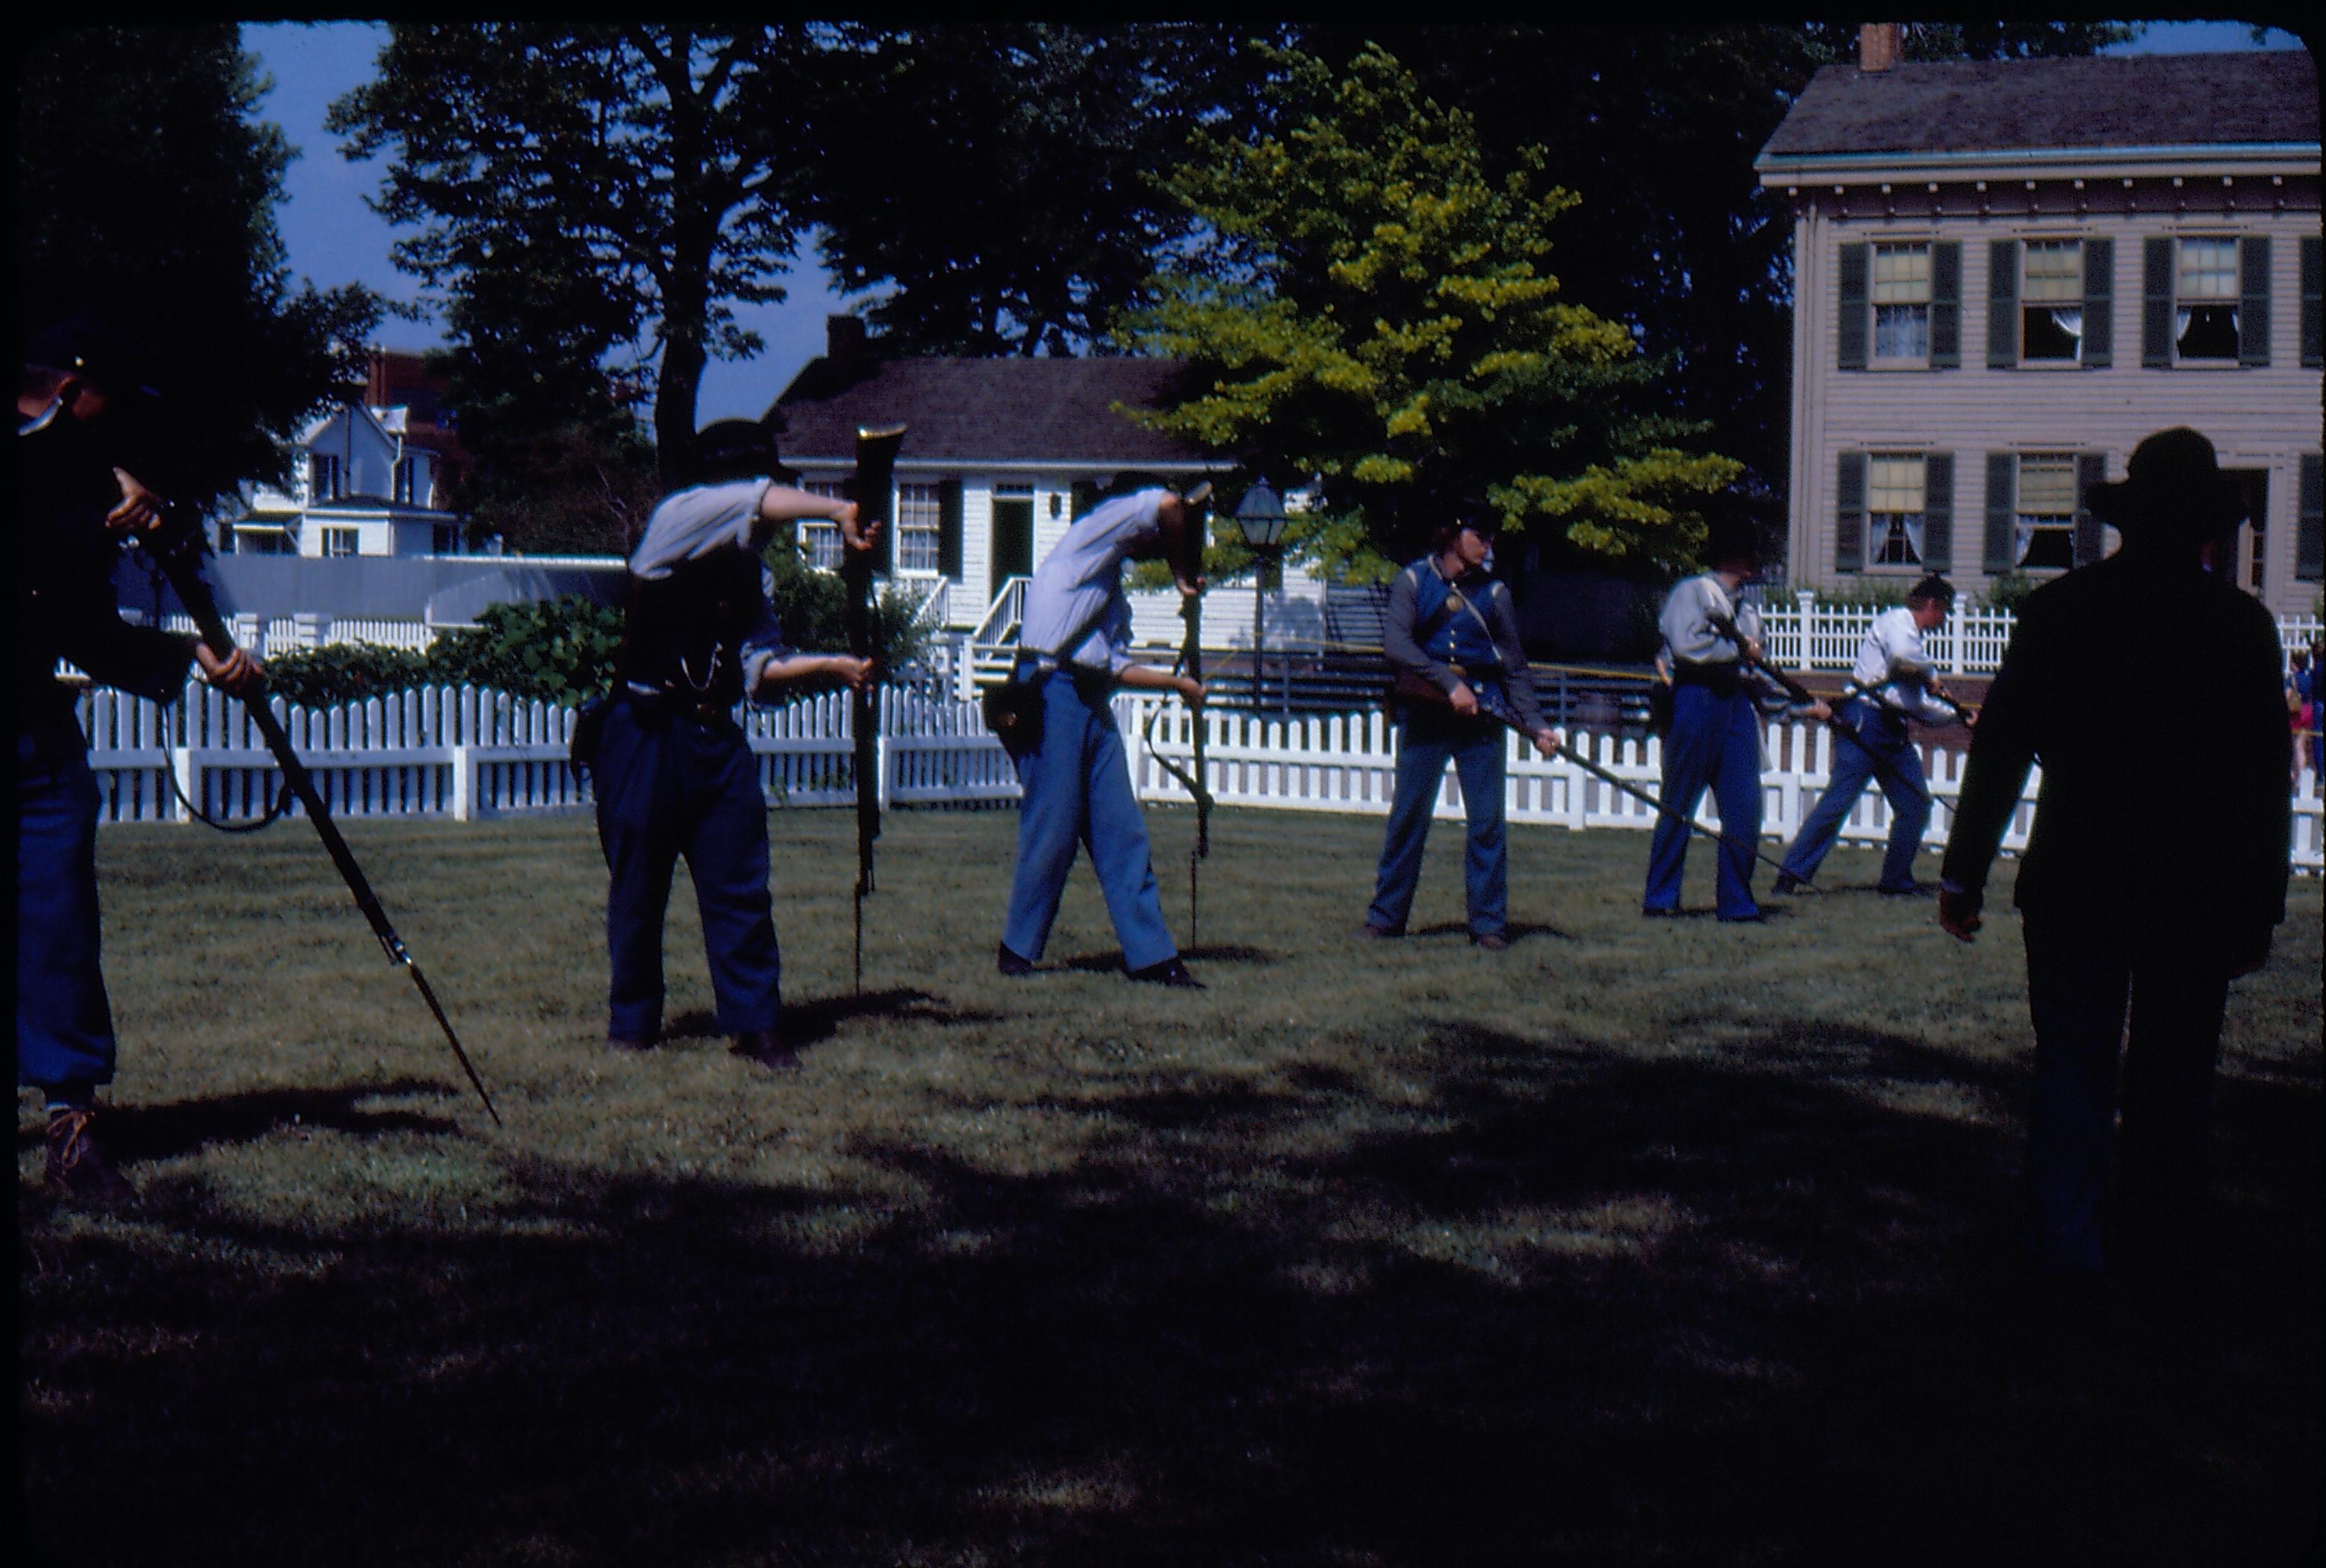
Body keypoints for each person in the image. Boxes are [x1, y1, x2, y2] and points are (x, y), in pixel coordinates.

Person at [1938, 427, 2290, 1290]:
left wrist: (1963, 871)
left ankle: (2068, 1250)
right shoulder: (2239, 626)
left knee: (2073, 1068)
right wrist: (2260, 905)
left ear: (2127, 520)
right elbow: (2262, 780)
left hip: (2077, 875)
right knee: (2175, 1074)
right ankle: (2162, 1249)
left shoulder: (2063, 611)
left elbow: (2003, 748)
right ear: (2209, 530)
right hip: (2192, 889)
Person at [17, 314, 263, 1199]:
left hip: (35, 732)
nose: (113, 431)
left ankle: (71, 1125)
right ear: (74, 390)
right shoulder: (58, 468)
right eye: (105, 410)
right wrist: (87, 485)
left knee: (61, 926)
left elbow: (82, 628)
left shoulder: (77, 487)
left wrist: (187, 655)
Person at [592, 420, 875, 1068]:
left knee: (739, 884)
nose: (774, 502)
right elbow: (751, 501)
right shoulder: (679, 518)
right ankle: (631, 1022)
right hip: (644, 733)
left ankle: (755, 1022)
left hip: (715, 737)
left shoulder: (753, 575)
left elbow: (760, 669)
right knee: (638, 887)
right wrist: (836, 509)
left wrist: (832, 665)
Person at [995, 474, 1208, 987]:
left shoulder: (1107, 583)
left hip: (1089, 697)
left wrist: (1176, 683)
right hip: (1049, 693)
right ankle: (1016, 949)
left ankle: (1152, 955)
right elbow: (1169, 505)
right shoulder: (1093, 531)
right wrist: (1183, 571)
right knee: (1055, 827)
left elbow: (1112, 666)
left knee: (1122, 829)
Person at [1358, 509, 1563, 949]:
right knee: (1408, 817)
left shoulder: (1494, 593)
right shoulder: (1413, 581)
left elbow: (1513, 667)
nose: (1487, 546)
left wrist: (1537, 725)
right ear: (1452, 534)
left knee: (1487, 822)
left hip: (1482, 717)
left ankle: (1488, 925)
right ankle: (1386, 917)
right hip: (1426, 711)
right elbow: (1397, 644)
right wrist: (1450, 684)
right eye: (1479, 536)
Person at [1641, 515, 1829, 921]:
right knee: (1678, 806)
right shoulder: (1691, 593)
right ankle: (1660, 899)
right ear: (1739, 560)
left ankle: (1736, 902)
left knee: (1745, 810)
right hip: (1695, 699)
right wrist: (1741, 651)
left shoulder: (1747, 612)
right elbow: (1688, 647)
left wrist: (1801, 706)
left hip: (1737, 708)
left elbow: (1758, 676)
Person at [1771, 574, 1968, 897]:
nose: (1943, 620)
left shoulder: (1916, 642)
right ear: (1932, 604)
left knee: (1916, 803)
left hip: (1893, 729)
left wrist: (1958, 716)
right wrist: (1932, 675)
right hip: (1864, 719)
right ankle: (1790, 875)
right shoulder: (1896, 622)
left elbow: (1915, 705)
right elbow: (1902, 658)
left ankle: (1896, 880)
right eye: (1943, 611)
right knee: (1839, 801)